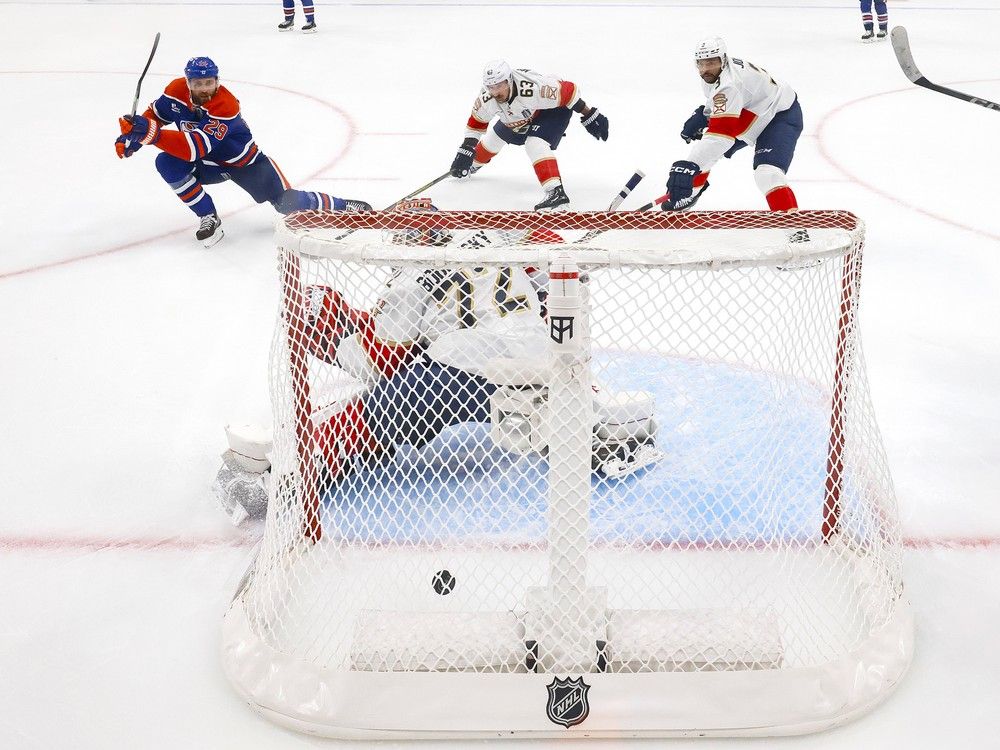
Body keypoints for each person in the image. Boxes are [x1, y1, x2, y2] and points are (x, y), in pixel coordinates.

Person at [114, 57, 366, 247]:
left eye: (209, 82)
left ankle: (342, 205)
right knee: (167, 162)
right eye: (198, 83)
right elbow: (156, 115)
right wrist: (133, 138)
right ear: (188, 82)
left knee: (286, 204)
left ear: (217, 81)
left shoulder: (225, 105)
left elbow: (194, 147)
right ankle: (208, 217)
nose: (204, 88)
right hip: (207, 164)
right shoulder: (175, 91)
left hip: (245, 164)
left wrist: (150, 134)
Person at [663, 38, 802, 214]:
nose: (705, 69)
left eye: (711, 63)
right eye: (701, 64)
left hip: (779, 115)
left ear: (723, 59)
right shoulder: (715, 75)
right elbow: (723, 101)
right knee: (707, 153)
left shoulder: (729, 83)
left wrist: (691, 165)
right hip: (753, 111)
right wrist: (705, 115)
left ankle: (797, 233)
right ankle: (687, 197)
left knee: (768, 174)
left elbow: (720, 137)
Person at [448, 60, 610, 211]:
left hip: (550, 110)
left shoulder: (533, 88)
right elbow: (476, 125)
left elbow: (570, 91)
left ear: (509, 80)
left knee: (535, 143)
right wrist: (466, 152)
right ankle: (471, 166)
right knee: (493, 138)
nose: (495, 92)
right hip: (520, 115)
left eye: (499, 85)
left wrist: (589, 115)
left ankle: (556, 193)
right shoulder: (487, 99)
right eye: (491, 86)